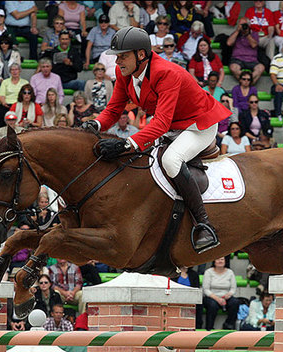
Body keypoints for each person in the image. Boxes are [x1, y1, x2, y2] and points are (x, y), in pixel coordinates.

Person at [84, 27, 231, 253]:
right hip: (172, 125)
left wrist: (127, 143)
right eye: (117, 56)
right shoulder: (124, 72)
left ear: (141, 55)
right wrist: (96, 124)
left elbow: (160, 124)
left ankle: (203, 224)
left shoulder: (167, 73)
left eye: (123, 55)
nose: (118, 60)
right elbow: (114, 110)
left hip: (197, 125)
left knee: (171, 160)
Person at [201, 257, 240, 330]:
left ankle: (228, 325)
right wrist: (217, 299)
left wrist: (228, 295)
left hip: (226, 297)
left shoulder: (230, 272)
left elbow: (233, 289)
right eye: (218, 259)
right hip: (212, 297)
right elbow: (206, 290)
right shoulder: (208, 272)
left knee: (235, 302)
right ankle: (209, 327)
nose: (220, 261)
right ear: (214, 261)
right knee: (212, 305)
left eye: (222, 259)